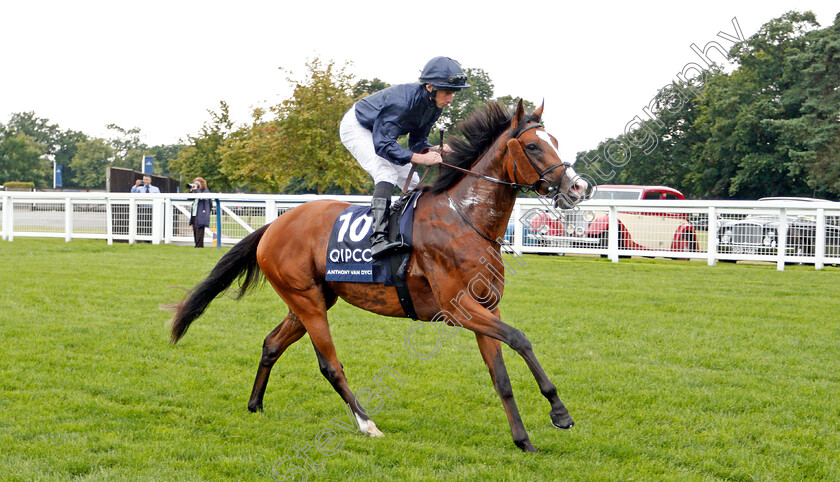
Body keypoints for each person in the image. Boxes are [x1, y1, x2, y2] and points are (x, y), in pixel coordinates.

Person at [339, 56, 470, 258]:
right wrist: (421, 159)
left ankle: (412, 233)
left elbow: (417, 142)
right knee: (385, 173)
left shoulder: (434, 107)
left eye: (453, 93)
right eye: (447, 93)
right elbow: (383, 145)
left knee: (414, 182)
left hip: (380, 134)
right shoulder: (401, 102)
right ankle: (378, 239)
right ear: (429, 87)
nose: (451, 99)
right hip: (358, 127)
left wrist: (431, 149)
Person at [188, 177, 211, 248]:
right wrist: (191, 190)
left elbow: (202, 197)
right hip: (195, 213)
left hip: (201, 213)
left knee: (200, 230)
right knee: (195, 229)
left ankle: (199, 245)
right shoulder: (196, 192)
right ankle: (196, 244)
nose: (196, 185)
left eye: (197, 184)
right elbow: (189, 198)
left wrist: (197, 190)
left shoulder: (206, 191)